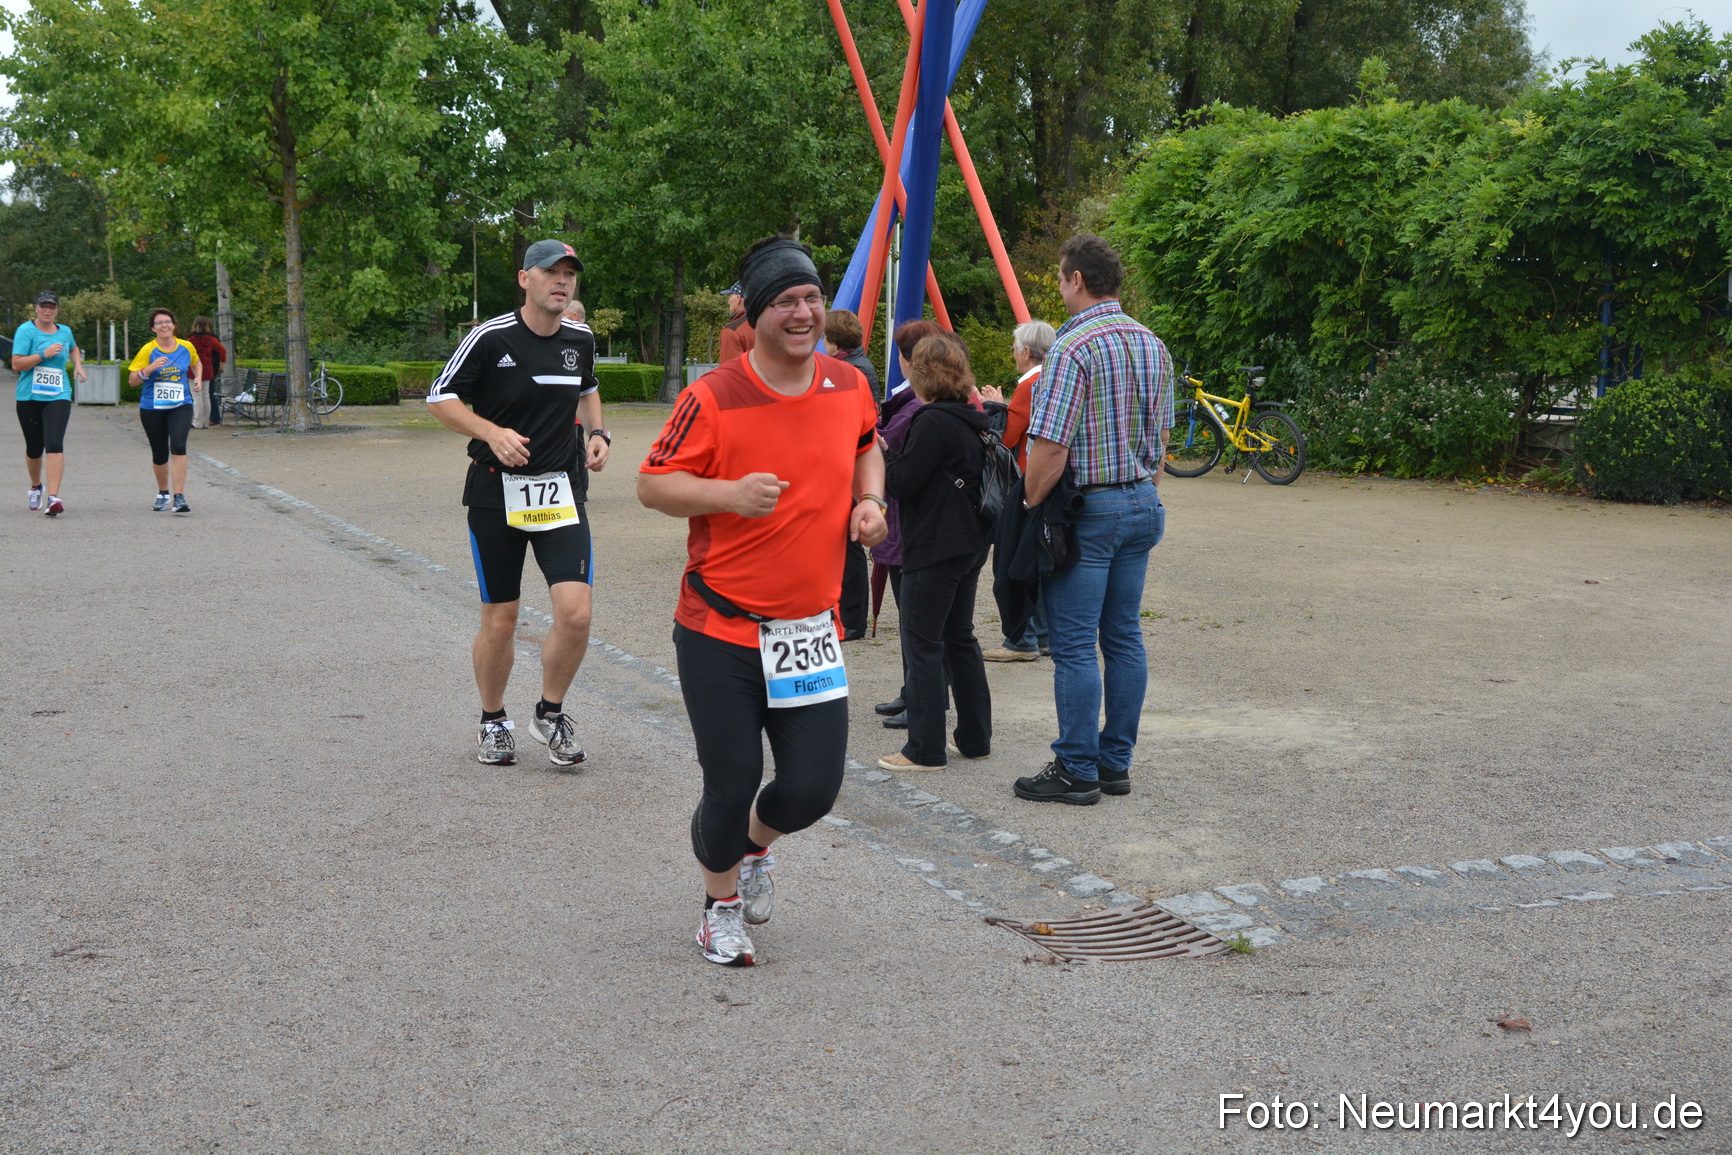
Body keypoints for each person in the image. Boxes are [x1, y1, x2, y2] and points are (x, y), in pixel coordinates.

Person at [637, 235, 886, 967]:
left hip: (808, 630)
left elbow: (868, 444)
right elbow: (652, 483)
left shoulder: (849, 385)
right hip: (721, 628)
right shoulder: (713, 395)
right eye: (786, 301)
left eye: (812, 297)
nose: (804, 312)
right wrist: (728, 495)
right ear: (753, 314)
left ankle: (752, 850)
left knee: (813, 786)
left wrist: (869, 500)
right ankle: (718, 907)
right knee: (733, 778)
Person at [426, 239, 611, 769]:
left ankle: (549, 714)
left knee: (575, 615)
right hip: (495, 493)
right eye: (551, 271)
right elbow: (440, 396)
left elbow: (588, 388)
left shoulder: (580, 337)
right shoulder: (489, 337)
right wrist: (492, 432)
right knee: (501, 618)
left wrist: (600, 434)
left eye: (570, 274)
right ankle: (493, 721)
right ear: (524, 278)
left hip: (560, 493)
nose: (562, 281)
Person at [1015, 234, 1173, 805]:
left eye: (1060, 277)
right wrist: (1141, 492)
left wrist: (1030, 506)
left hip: (1091, 507)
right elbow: (1161, 436)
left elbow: (1051, 446)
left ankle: (1076, 768)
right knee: (1125, 635)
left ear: (1077, 279)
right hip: (1139, 501)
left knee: (1077, 643)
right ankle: (1113, 763)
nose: (1059, 286)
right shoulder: (1151, 342)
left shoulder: (1073, 347)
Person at [877, 334, 992, 772]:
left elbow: (903, 484)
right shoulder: (970, 417)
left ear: (921, 374)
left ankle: (924, 749)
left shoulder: (931, 421)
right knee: (960, 637)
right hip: (970, 541)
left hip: (936, 543)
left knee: (922, 642)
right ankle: (976, 736)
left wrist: (882, 454)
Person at [869, 319, 947, 730]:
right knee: (915, 622)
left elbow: (892, 459)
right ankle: (911, 690)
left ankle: (921, 699)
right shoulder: (916, 402)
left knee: (917, 624)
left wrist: (873, 440)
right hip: (903, 526)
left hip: (905, 527)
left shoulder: (916, 407)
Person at [979, 319, 1056, 662]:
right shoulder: (1053, 377)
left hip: (1025, 478)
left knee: (1014, 560)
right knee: (1037, 559)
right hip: (1049, 477)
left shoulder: (1030, 384)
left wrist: (996, 406)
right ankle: (1042, 635)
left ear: (1026, 352)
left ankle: (1021, 638)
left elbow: (1008, 437)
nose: (1013, 355)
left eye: (1014, 349)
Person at [825, 308, 878, 639]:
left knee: (850, 542)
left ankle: (854, 618)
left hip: (849, 461)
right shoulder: (857, 364)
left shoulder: (850, 370)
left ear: (834, 341)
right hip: (849, 459)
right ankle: (848, 612)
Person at [11, 290, 85, 517]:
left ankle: (54, 497)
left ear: (57, 310)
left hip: (58, 395)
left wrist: (78, 366)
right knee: (34, 448)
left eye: (52, 307)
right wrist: (43, 353)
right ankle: (36, 487)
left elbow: (72, 347)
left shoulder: (65, 331)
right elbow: (17, 364)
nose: (47, 310)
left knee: (54, 442)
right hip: (29, 397)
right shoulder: (26, 331)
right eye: (44, 306)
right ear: (36, 308)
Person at [128, 308, 201, 513]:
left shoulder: (186, 346)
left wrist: (197, 376)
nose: (164, 325)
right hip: (152, 408)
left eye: (167, 321)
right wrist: (149, 369)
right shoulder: (147, 350)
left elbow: (197, 361)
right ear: (153, 328)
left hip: (181, 404)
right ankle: (163, 493)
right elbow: (132, 381)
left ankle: (179, 497)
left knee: (178, 445)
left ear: (174, 325)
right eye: (159, 323)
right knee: (159, 453)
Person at [188, 316, 227, 429]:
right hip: (208, 370)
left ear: (195, 325)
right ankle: (205, 422)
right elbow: (222, 350)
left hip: (194, 370)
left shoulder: (191, 340)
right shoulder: (211, 339)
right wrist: (221, 365)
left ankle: (197, 422)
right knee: (206, 396)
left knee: (196, 397)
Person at [717, 281, 755, 362]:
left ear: (738, 299)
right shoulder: (771, 324)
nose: (728, 302)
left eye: (730, 296)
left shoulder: (732, 331)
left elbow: (729, 371)